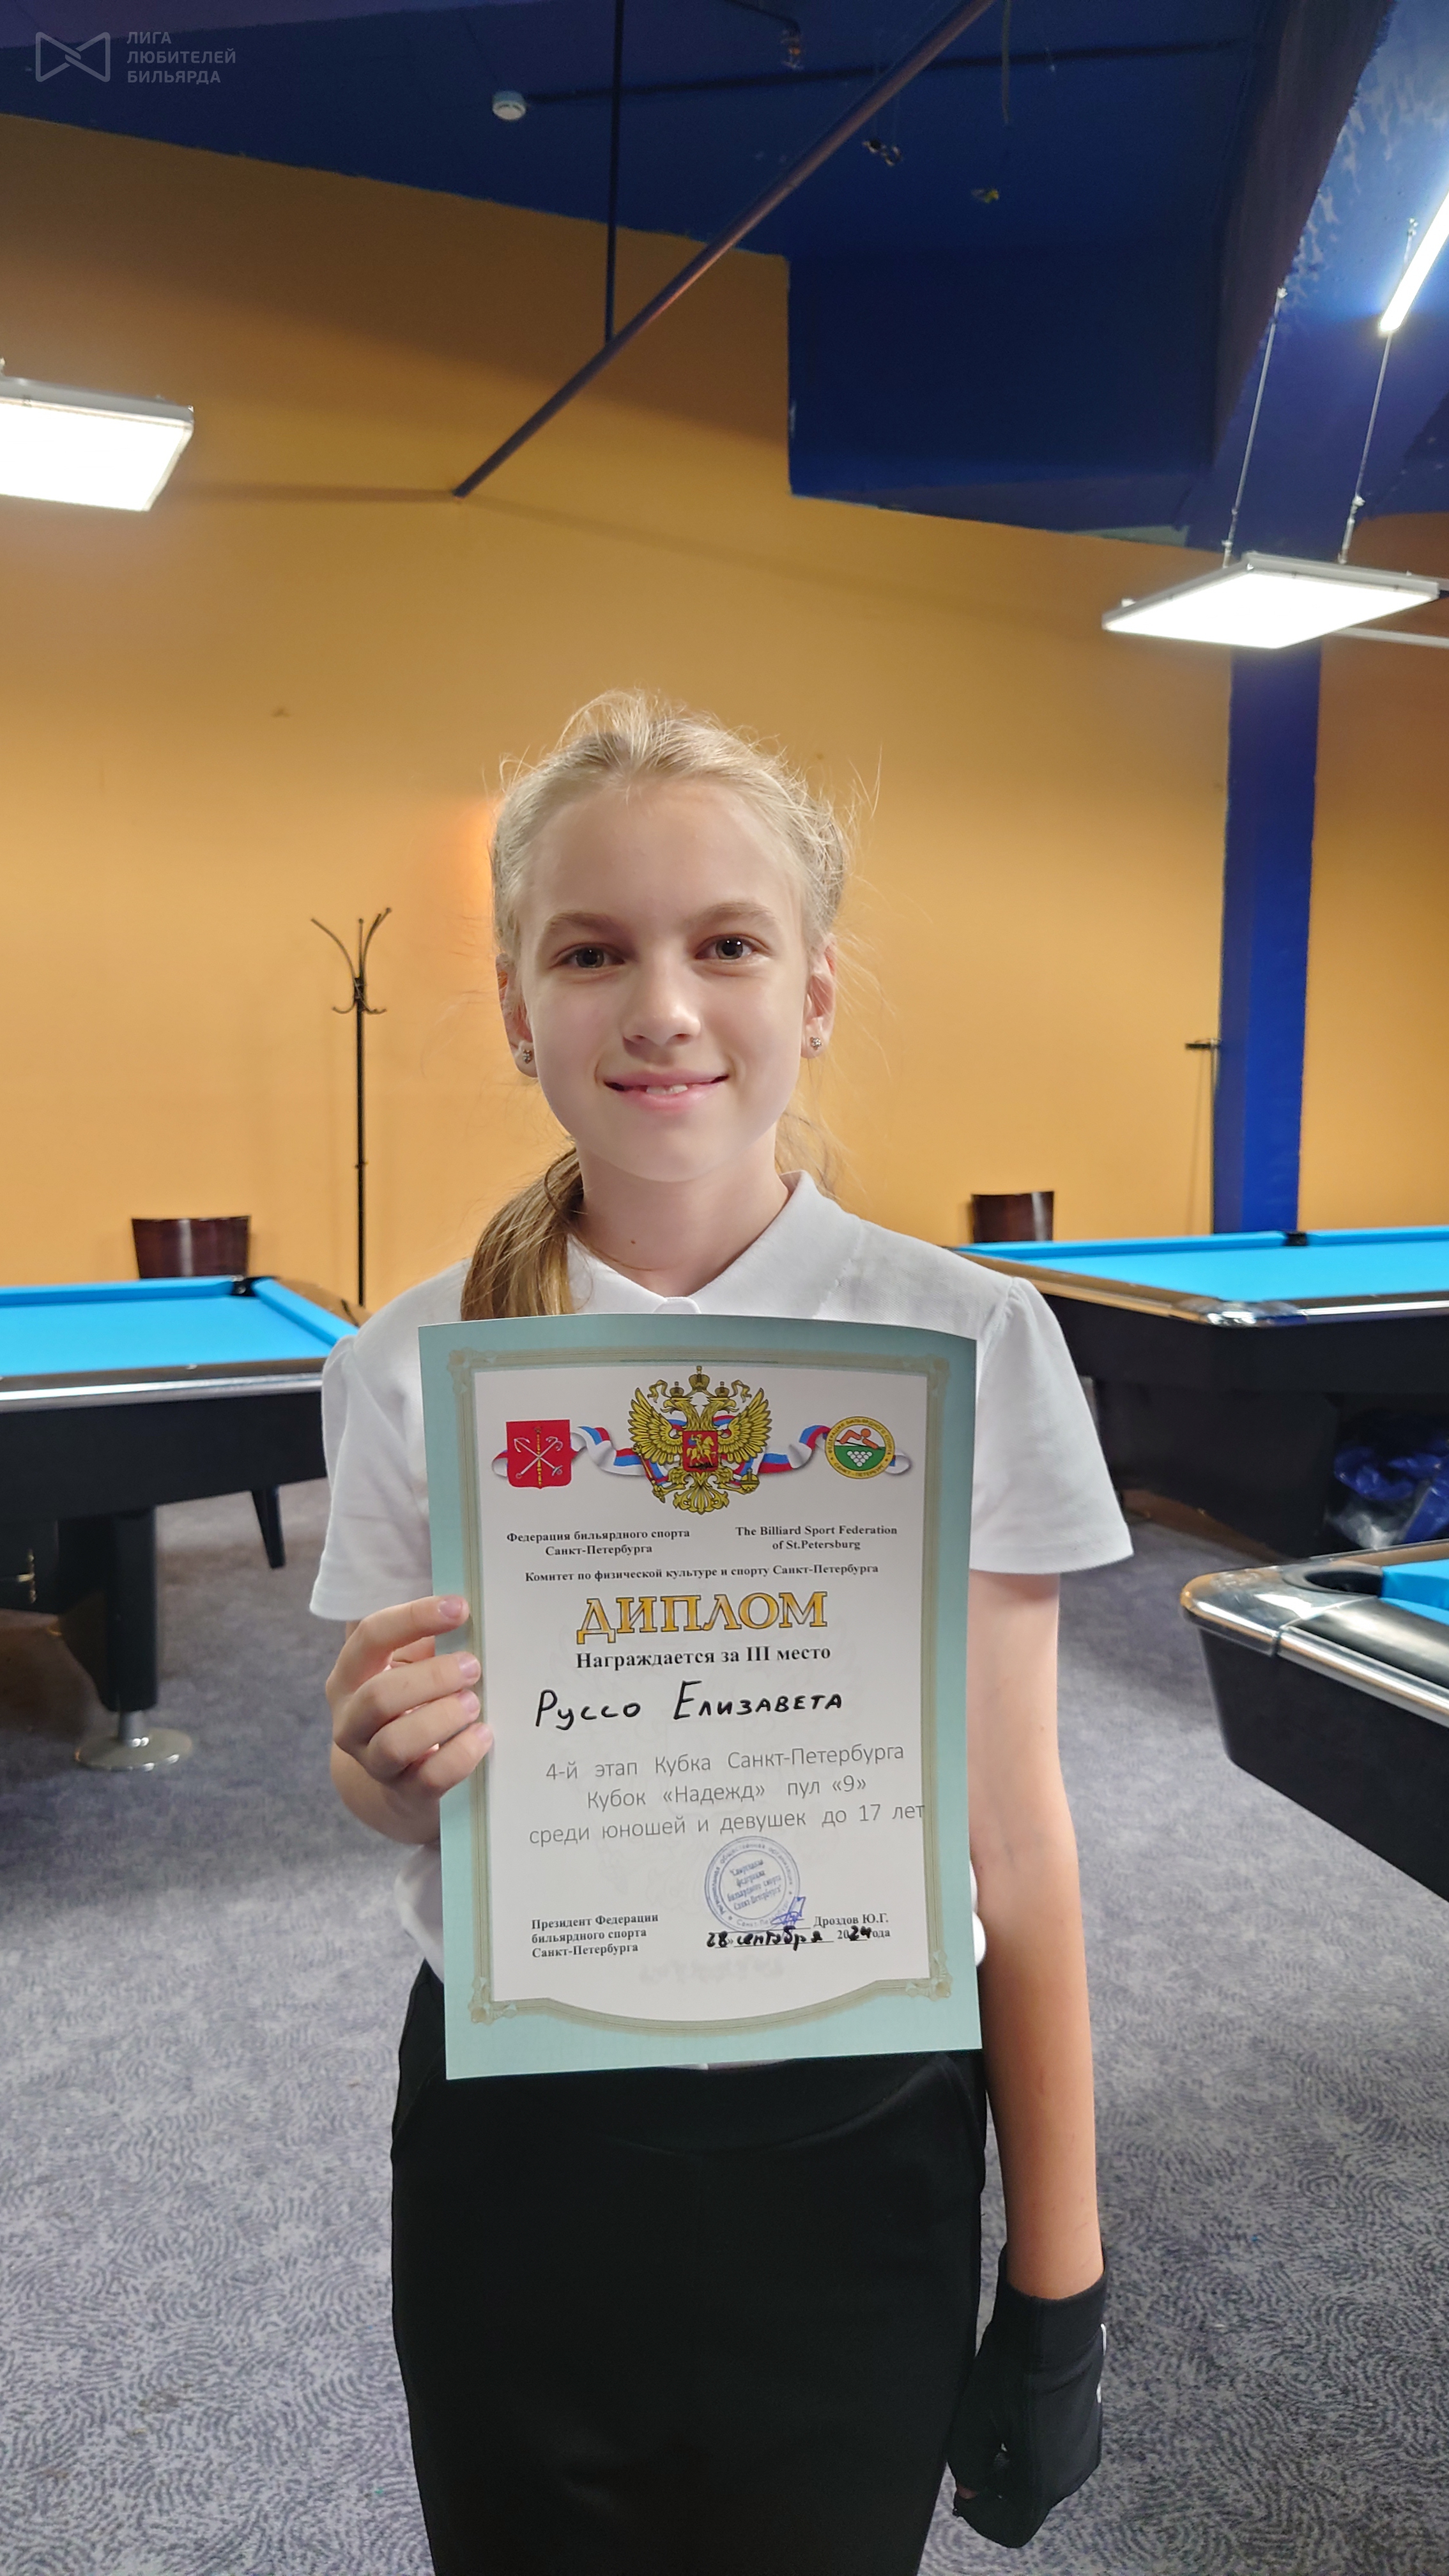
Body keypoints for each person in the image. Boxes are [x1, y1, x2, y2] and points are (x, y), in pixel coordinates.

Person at [312, 694, 1130, 2576]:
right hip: (523, 2158)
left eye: (729, 945)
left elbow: (1016, 1845)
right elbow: (386, 1789)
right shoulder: (415, 1364)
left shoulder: (966, 1343)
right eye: (591, 952)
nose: (662, 1006)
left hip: (859, 2157)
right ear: (516, 1006)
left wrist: (1061, 2286)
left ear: (814, 990)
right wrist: (377, 1768)